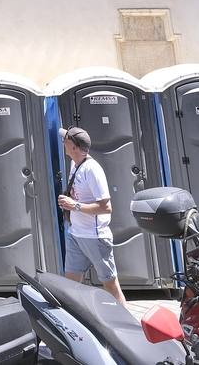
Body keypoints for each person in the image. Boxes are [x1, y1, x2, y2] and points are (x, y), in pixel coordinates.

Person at [56, 126, 127, 304]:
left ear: (74, 147)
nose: (63, 143)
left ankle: (130, 328)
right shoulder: (75, 162)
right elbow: (62, 131)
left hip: (95, 237)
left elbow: (106, 207)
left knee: (111, 286)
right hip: (76, 234)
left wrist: (75, 206)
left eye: (66, 141)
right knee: (71, 285)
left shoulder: (92, 170)